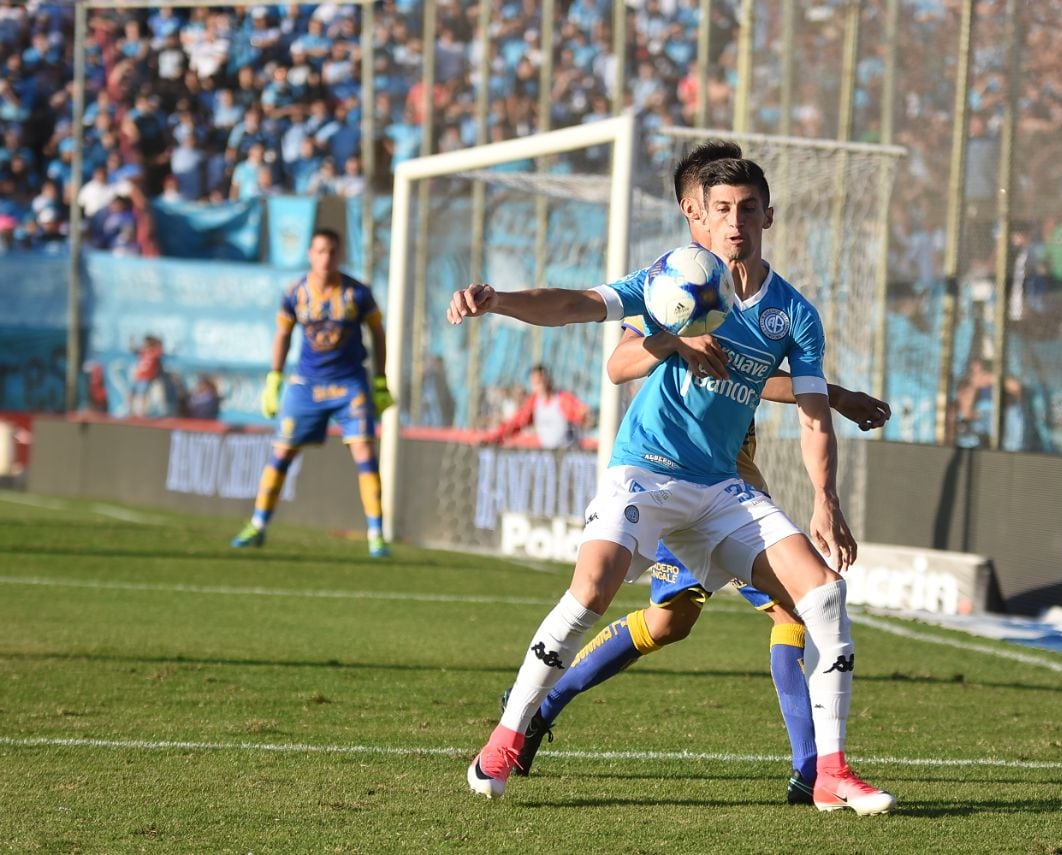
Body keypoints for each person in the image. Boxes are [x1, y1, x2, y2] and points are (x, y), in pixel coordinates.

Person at [448, 155, 897, 814]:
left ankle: (827, 771)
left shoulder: (794, 314)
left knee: (823, 593)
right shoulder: (673, 276)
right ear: (702, 217)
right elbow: (589, 319)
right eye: (723, 209)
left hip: (722, 485)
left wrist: (825, 500)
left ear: (768, 215)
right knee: (594, 588)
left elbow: (810, 415)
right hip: (646, 470)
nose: (735, 221)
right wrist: (505, 302)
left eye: (747, 208)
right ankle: (508, 734)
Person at [230, 228, 396, 557]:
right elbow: (282, 335)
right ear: (310, 254)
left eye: (332, 251)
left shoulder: (357, 293)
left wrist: (379, 379)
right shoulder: (294, 293)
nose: (326, 258)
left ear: (340, 255)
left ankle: (377, 534)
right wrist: (274, 379)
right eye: (320, 251)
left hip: (349, 384)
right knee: (282, 453)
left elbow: (378, 332)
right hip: (306, 385)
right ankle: (258, 524)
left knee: (364, 452)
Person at [481, 364, 588, 449]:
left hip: (568, 451)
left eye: (541, 380)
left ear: (548, 380)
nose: (540, 385)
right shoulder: (534, 402)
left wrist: (582, 415)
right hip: (549, 454)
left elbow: (579, 412)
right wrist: (496, 437)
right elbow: (516, 422)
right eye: (536, 382)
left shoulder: (563, 398)